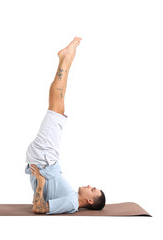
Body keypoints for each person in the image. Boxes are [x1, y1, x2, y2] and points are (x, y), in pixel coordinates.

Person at [25, 37, 106, 214]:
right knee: (58, 108)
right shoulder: (70, 197)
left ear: (90, 200)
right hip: (46, 159)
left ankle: (67, 57)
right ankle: (65, 58)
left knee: (56, 106)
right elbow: (42, 199)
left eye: (92, 189)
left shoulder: (71, 203)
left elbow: (38, 208)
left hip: (44, 159)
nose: (90, 185)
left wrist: (39, 180)